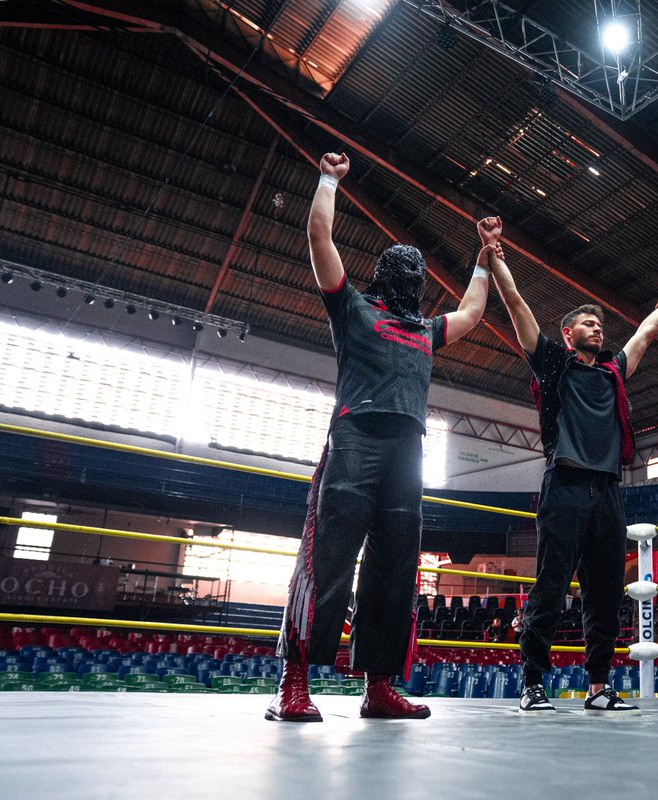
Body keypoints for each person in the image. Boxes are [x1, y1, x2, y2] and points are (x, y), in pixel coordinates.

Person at [266, 152, 494, 722]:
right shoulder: (353, 309)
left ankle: (379, 686)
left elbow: (470, 311)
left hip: (406, 455)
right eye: (404, 267)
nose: (415, 276)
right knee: (329, 562)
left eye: (419, 270)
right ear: (383, 273)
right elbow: (320, 238)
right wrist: (327, 181)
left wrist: (484, 257)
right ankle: (293, 683)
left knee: (395, 570)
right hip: (354, 443)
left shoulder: (426, 329)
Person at [483, 220, 658, 714]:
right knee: (550, 584)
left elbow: (644, 334)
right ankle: (532, 683)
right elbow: (518, 308)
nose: (598, 328)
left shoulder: (614, 370)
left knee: (605, 592)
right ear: (569, 334)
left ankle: (598, 687)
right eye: (588, 324)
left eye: (600, 324)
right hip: (565, 483)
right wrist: (496, 255)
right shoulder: (552, 364)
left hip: (608, 490)